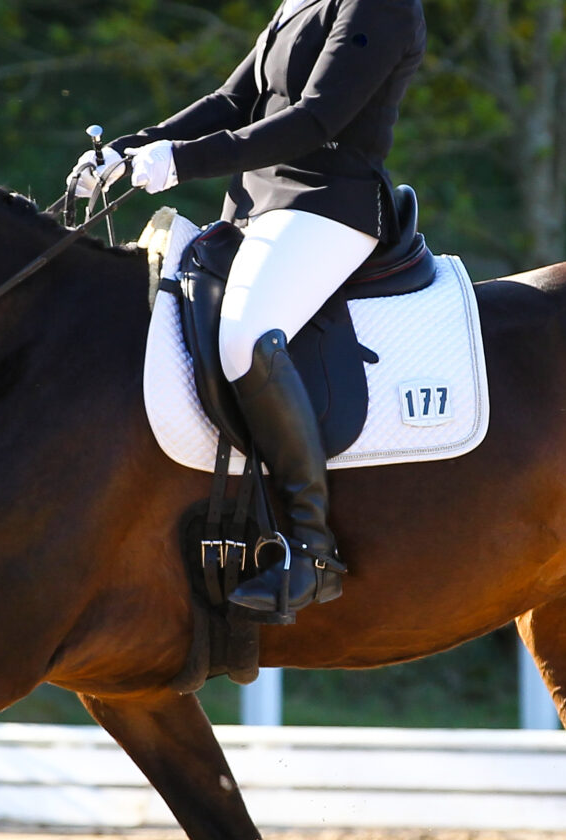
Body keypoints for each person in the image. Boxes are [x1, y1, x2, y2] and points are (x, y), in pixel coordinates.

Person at [72, 0, 425, 619]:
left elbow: (317, 119)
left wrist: (181, 162)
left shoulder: (381, 5)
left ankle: (313, 550)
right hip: (257, 206)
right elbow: (233, 101)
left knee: (245, 337)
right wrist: (132, 149)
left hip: (327, 204)